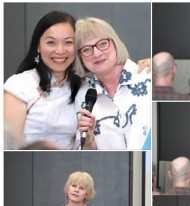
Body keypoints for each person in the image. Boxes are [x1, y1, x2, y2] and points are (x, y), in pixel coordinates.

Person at [4, 11, 150, 150]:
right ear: (38, 46)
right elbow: (8, 144)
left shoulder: (83, 87)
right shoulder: (21, 84)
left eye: (68, 42)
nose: (60, 50)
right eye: (51, 43)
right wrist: (88, 141)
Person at [75, 17, 151, 150]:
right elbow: (87, 151)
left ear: (115, 43)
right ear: (80, 58)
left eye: (103, 44)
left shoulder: (148, 77)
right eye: (86, 49)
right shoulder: (83, 96)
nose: (97, 53)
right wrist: (88, 140)